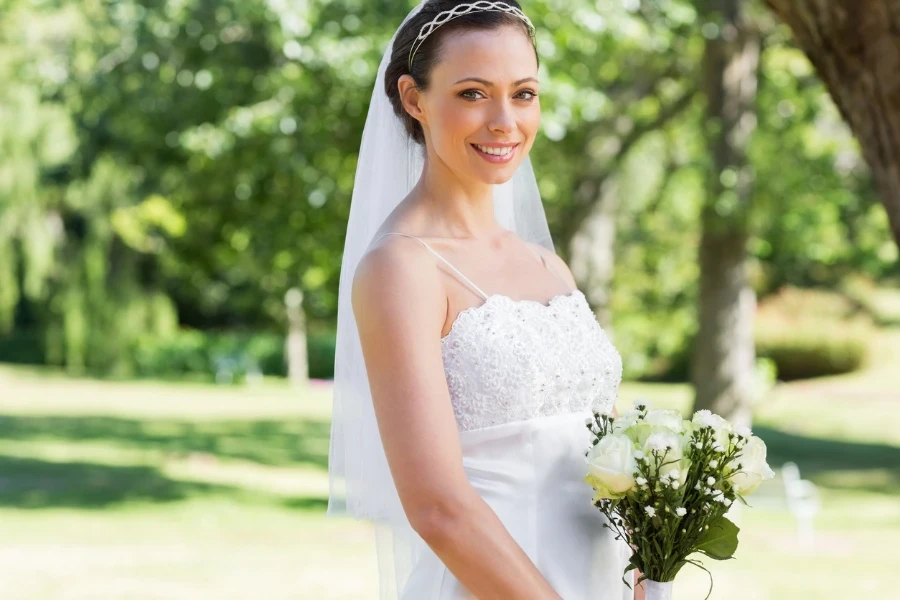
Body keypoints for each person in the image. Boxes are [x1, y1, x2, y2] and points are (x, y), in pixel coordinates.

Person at [328, 2, 640, 598]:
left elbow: (611, 448)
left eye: (523, 94)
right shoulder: (402, 268)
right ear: (414, 99)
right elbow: (439, 507)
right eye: (473, 93)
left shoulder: (550, 268)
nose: (505, 121)